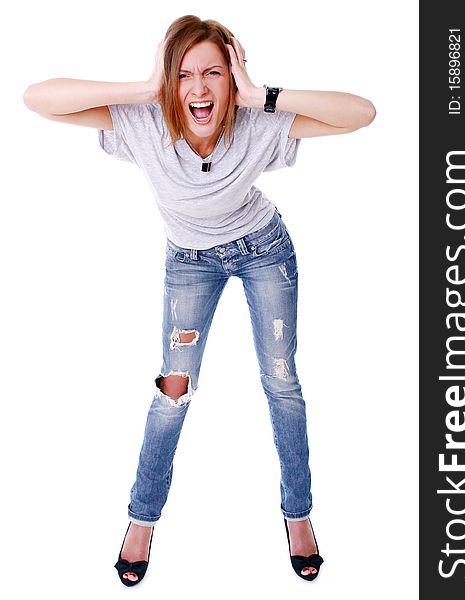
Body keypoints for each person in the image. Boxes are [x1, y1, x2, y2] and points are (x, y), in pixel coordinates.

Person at [23, 14, 375, 585]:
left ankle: (299, 515)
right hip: (190, 261)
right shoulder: (144, 121)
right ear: (170, 81)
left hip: (263, 249)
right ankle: (141, 519)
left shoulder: (257, 120)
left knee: (281, 381)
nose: (200, 88)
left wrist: (262, 94)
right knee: (173, 390)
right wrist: (146, 88)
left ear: (232, 79)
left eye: (214, 72)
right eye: (185, 74)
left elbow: (362, 113)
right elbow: (38, 99)